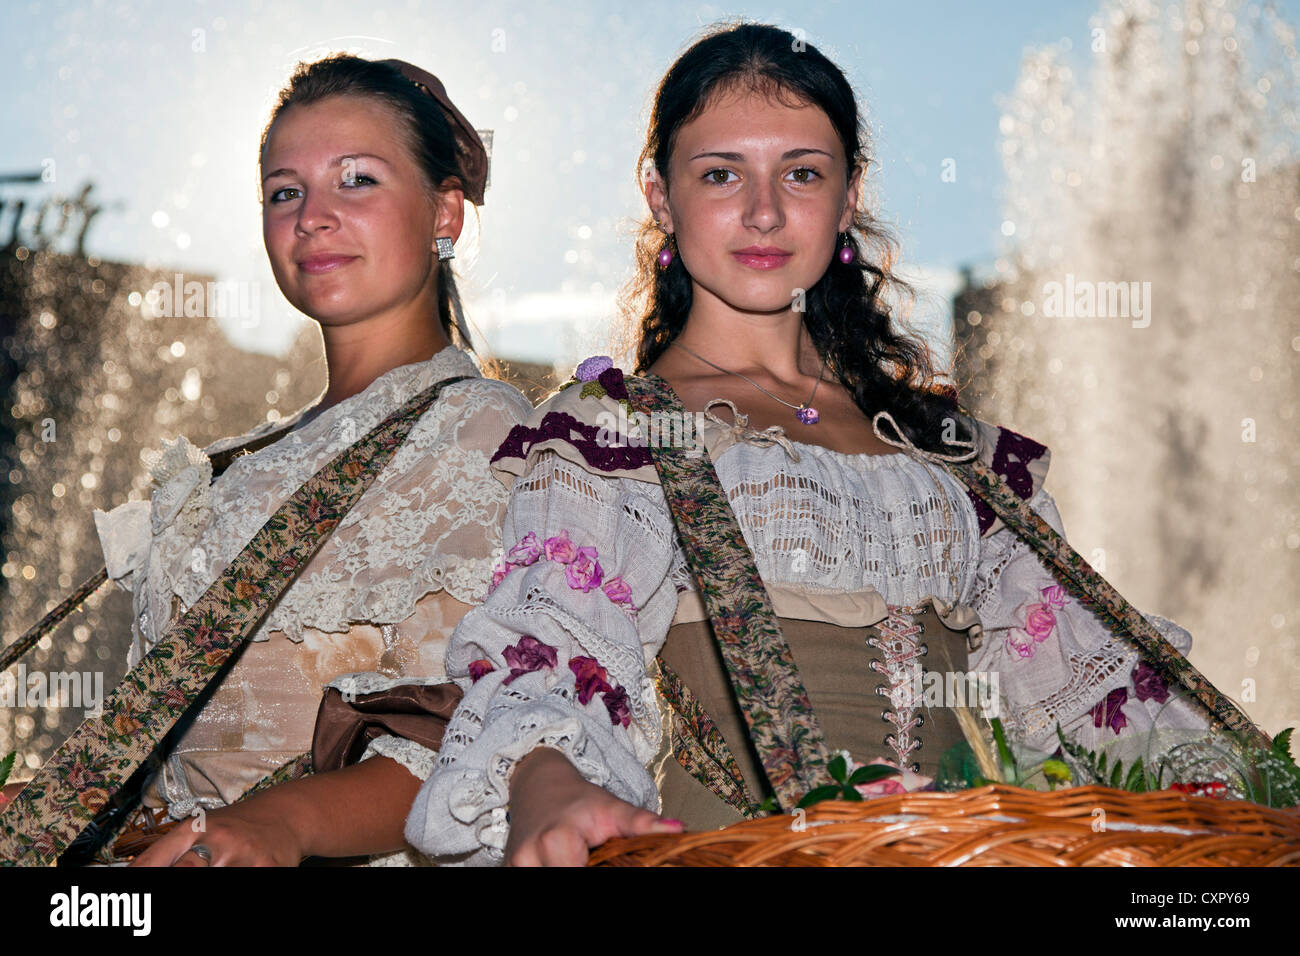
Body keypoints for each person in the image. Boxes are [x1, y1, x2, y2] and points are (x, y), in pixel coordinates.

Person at [405, 23, 1231, 867]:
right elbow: (556, 647)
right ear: (659, 193)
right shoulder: (612, 435)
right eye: (721, 174)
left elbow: (1098, 691)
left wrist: (1219, 794)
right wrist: (546, 780)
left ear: (850, 194)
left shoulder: (951, 457)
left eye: (801, 173)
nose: (764, 212)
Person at [87, 53, 531, 866]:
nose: (312, 216)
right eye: (284, 192)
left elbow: (481, 735)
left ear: (445, 213)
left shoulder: (487, 433)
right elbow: (186, 763)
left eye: (356, 180)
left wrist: (278, 824)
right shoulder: (237, 460)